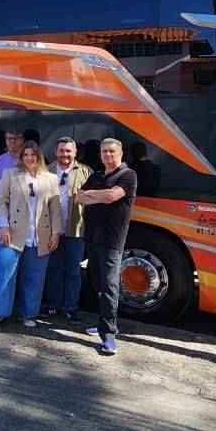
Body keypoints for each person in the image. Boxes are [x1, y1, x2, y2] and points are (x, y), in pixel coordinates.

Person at [0, 141, 62, 330]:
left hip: (39, 236)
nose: (29, 158)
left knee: (34, 277)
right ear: (21, 157)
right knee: (3, 275)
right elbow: (0, 200)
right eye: (25, 155)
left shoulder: (50, 178)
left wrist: (56, 233)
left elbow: (56, 208)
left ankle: (28, 313)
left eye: (32, 154)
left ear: (38, 156)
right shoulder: (10, 174)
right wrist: (3, 226)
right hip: (11, 234)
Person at [77, 138, 138, 356]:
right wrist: (100, 196)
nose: (108, 155)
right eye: (104, 152)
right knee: (97, 284)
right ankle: (103, 323)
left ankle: (109, 335)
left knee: (110, 287)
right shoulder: (97, 175)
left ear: (121, 154)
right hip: (92, 238)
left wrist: (94, 195)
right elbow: (77, 198)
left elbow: (113, 196)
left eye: (112, 151)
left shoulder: (128, 175)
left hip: (112, 241)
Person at [43, 137, 92, 325]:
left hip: (76, 231)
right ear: (55, 152)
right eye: (61, 150)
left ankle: (71, 308)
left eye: (69, 151)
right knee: (53, 269)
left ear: (75, 153)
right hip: (51, 231)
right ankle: (54, 304)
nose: (65, 154)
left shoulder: (86, 172)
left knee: (73, 271)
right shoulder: (46, 171)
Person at [0, 129, 23, 200]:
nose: (12, 141)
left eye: (16, 138)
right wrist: (0, 200)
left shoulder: (28, 159)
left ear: (22, 141)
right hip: (3, 204)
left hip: (23, 204)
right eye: (9, 138)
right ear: (6, 141)